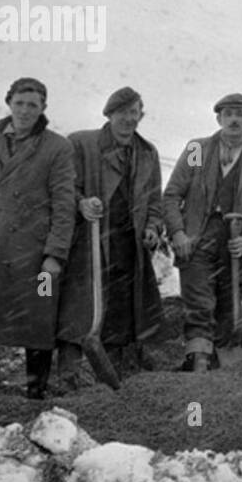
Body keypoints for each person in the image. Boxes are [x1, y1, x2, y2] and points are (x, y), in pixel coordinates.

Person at [0, 77, 75, 399]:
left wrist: (55, 255)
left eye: (32, 105)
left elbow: (64, 205)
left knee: (39, 318)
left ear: (43, 109)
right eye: (19, 103)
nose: (24, 110)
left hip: (36, 251)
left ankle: (35, 392)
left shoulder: (57, 147)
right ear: (8, 103)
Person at [56, 87, 165, 385]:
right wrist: (80, 202)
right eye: (122, 113)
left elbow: (155, 200)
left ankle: (111, 376)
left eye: (134, 113)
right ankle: (69, 376)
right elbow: (62, 186)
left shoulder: (147, 153)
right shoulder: (81, 143)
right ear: (109, 115)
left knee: (120, 308)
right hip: (88, 242)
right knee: (79, 307)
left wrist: (153, 227)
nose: (129, 119)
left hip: (128, 246)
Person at [163, 93, 242, 372]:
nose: (234, 119)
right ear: (219, 119)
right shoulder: (198, 150)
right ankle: (198, 365)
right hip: (196, 242)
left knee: (230, 308)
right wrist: (177, 233)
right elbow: (172, 195)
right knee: (199, 305)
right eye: (228, 114)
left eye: (240, 114)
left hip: (234, 247)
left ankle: (220, 377)